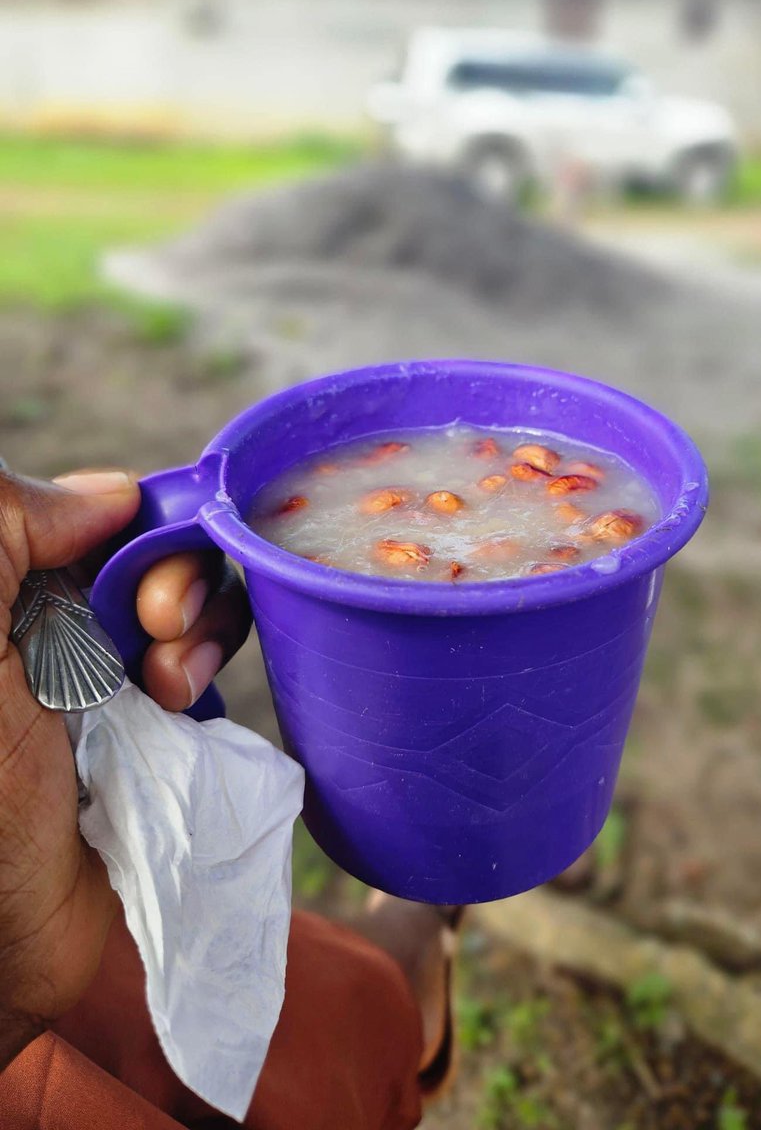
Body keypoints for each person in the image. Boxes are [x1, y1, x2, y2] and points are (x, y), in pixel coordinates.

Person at [0, 467, 459, 1130]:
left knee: (251, 987)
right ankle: (409, 975)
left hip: (45, 989)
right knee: (320, 1045)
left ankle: (402, 960)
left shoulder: (29, 941)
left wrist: (12, 962)